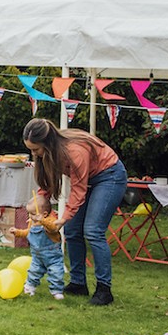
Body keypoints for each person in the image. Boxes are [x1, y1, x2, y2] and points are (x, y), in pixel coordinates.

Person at [22, 118, 125, 306]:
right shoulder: (48, 155)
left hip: (109, 176)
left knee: (93, 231)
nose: (33, 153)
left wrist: (63, 218)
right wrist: (39, 203)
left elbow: (78, 189)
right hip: (90, 180)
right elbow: (48, 185)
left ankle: (104, 289)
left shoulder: (74, 151)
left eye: (36, 149)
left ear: (48, 143)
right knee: (72, 231)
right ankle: (78, 283)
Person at [8, 194, 65, 300]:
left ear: (44, 214)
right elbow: (28, 233)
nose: (30, 216)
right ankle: (29, 286)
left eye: (33, 214)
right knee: (34, 271)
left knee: (56, 273)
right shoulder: (33, 222)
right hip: (37, 256)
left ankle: (56, 291)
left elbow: (53, 229)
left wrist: (42, 221)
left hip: (53, 256)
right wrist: (18, 232)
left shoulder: (51, 221)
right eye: (29, 213)